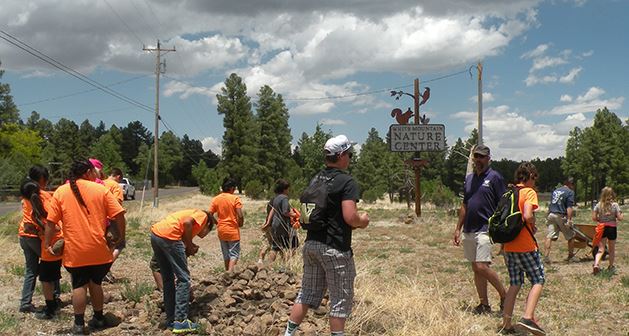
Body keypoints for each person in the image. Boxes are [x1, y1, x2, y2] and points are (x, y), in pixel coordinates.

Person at [284, 134, 369, 336]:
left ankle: (288, 334)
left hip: (311, 244)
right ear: (340, 155)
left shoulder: (315, 179)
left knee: (306, 294)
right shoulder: (346, 182)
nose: (350, 157)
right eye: (348, 153)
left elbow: (307, 212)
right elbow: (350, 216)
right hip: (334, 249)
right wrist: (363, 220)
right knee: (340, 298)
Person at [44, 159, 126, 335]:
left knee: (79, 285)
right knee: (95, 283)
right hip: (99, 249)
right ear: (88, 172)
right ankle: (98, 317)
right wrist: (120, 237)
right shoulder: (101, 190)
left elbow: (50, 222)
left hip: (75, 250)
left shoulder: (61, 192)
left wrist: (47, 243)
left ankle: (79, 325)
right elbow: (119, 214)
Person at [453, 145, 506, 314]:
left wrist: (501, 228)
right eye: (476, 156)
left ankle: (504, 295)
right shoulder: (469, 179)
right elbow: (465, 205)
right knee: (476, 268)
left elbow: (503, 204)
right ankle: (484, 304)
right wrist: (457, 228)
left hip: (486, 228)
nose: (479, 160)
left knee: (482, 266)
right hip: (469, 228)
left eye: (482, 157)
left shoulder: (495, 177)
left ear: (488, 158)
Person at [500, 162, 546, 335]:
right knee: (538, 279)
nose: (535, 183)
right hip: (525, 245)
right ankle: (527, 317)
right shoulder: (529, 192)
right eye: (535, 179)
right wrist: (532, 223)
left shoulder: (509, 192)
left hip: (509, 246)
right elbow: (527, 215)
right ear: (531, 176)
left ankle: (506, 324)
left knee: (515, 283)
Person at [150, 209, 213, 333]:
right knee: (183, 279)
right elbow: (188, 223)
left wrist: (188, 246)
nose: (204, 235)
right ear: (208, 225)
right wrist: (190, 246)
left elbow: (181, 250)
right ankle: (181, 321)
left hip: (156, 234)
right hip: (169, 236)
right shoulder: (204, 216)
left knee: (167, 279)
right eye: (208, 231)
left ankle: (171, 320)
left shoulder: (189, 224)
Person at [17, 165, 61, 313]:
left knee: (31, 269)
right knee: (50, 264)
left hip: (24, 235)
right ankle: (54, 297)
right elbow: (50, 216)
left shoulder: (26, 191)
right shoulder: (40, 195)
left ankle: (25, 302)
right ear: (42, 179)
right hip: (37, 236)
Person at [209, 178, 244, 272]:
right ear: (232, 188)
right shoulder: (235, 198)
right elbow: (240, 214)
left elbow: (209, 214)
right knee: (234, 254)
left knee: (226, 254)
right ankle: (229, 274)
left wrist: (217, 223)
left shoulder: (216, 199)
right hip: (232, 230)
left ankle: (226, 272)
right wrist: (240, 223)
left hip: (221, 230)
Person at [543, 177, 577, 264]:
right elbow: (569, 207)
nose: (573, 186)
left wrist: (547, 214)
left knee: (549, 236)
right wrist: (569, 220)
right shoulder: (570, 192)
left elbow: (552, 203)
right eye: (573, 184)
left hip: (551, 214)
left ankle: (546, 257)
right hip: (560, 215)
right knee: (571, 236)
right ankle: (571, 256)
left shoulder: (556, 191)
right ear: (570, 184)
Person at [591, 187, 622, 275]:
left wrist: (600, 219)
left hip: (602, 228)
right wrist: (618, 215)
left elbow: (593, 218)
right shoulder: (615, 205)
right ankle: (611, 266)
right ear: (612, 194)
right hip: (612, 228)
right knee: (611, 249)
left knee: (601, 249)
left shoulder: (598, 205)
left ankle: (596, 264)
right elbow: (620, 218)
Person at [102, 167, 125, 283]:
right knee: (119, 244)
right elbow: (117, 204)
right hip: (112, 219)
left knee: (104, 245)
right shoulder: (116, 186)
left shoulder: (100, 183)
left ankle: (101, 268)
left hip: (100, 219)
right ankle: (105, 269)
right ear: (118, 176)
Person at [267, 179, 299, 262]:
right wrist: (295, 215)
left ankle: (268, 265)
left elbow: (273, 210)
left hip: (275, 225)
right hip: (283, 226)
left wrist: (268, 222)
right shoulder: (284, 198)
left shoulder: (276, 198)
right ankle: (287, 262)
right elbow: (285, 212)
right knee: (294, 245)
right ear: (285, 189)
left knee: (275, 246)